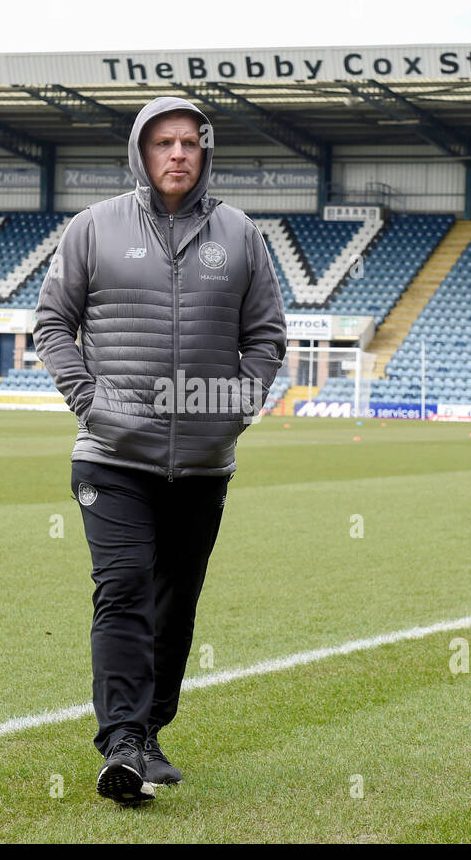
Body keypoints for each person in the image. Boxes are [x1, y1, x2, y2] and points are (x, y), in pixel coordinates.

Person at [33, 95, 287, 805]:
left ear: (205, 153)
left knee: (176, 605)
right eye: (163, 143)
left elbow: (266, 335)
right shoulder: (93, 229)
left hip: (203, 462)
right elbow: (53, 321)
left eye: (190, 143)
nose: (178, 154)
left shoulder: (238, 235)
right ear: (141, 152)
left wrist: (233, 409)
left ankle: (146, 734)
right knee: (123, 591)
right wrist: (90, 400)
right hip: (112, 456)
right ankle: (119, 740)